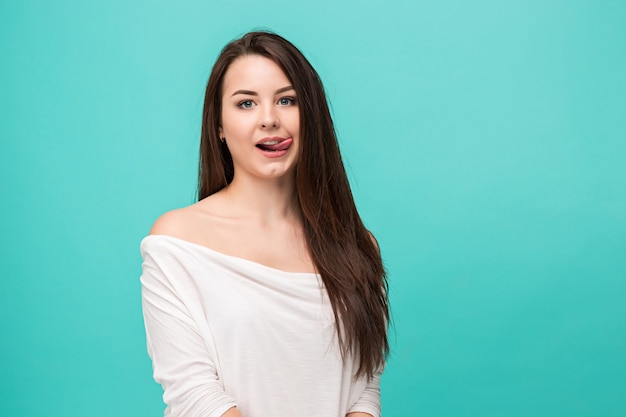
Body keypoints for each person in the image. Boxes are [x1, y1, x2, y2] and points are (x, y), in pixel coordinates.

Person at [140, 31, 390, 417]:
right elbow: (194, 394)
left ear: (312, 117)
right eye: (246, 104)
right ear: (219, 126)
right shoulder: (177, 241)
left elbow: (363, 390)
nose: (269, 119)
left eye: (287, 100)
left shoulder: (357, 246)